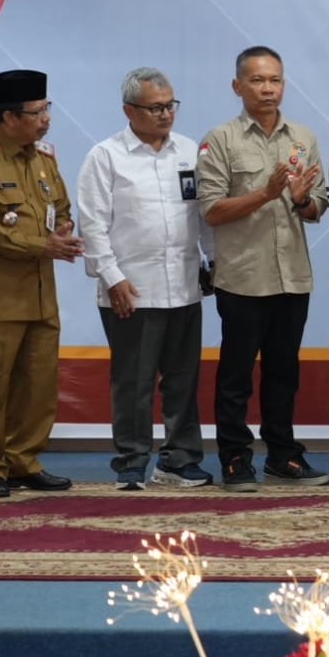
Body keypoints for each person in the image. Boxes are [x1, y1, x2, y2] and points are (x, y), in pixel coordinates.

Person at [76, 67, 217, 491]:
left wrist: (214, 261)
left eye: (170, 105)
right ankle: (132, 461)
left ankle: (178, 459)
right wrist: (113, 278)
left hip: (185, 285)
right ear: (129, 110)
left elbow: (205, 217)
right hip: (131, 290)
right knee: (134, 382)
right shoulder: (105, 156)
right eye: (155, 107)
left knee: (182, 378)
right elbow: (94, 226)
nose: (165, 114)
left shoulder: (190, 151)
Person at [197, 46, 329, 491]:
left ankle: (283, 456)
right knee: (235, 376)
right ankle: (235, 459)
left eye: (274, 80)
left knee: (283, 373)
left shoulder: (304, 138)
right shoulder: (221, 139)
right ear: (238, 86)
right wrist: (267, 192)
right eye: (257, 80)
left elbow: (319, 206)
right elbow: (212, 210)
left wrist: (302, 200)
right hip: (243, 275)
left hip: (292, 273)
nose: (267, 88)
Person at [0, 68, 82, 498]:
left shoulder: (44, 158)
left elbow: (60, 206)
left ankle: (23, 460)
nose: (45, 119)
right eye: (37, 112)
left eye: (47, 110)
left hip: (41, 293)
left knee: (39, 384)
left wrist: (62, 229)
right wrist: (41, 246)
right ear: (9, 118)